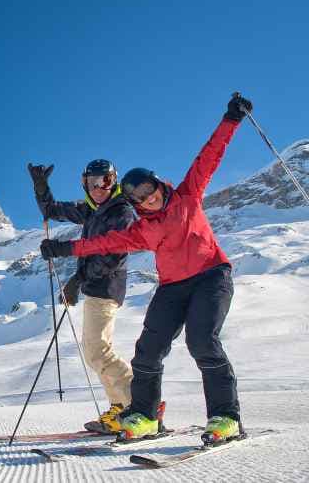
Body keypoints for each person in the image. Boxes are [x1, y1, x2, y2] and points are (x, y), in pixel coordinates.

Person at [39, 94, 253, 444]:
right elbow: (103, 243)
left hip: (211, 276)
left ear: (157, 183)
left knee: (202, 341)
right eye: (138, 197)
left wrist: (231, 120)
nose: (147, 198)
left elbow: (210, 155)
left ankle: (225, 418)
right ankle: (144, 415)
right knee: (148, 350)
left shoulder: (188, 194)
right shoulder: (143, 228)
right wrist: (65, 249)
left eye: (149, 190)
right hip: (172, 286)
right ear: (134, 202)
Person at [28, 159, 135, 434]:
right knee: (96, 351)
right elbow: (52, 211)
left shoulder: (120, 212)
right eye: (92, 183)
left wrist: (78, 280)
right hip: (95, 287)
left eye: (105, 182)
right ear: (84, 184)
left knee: (98, 350)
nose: (98, 188)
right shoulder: (92, 210)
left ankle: (139, 406)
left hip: (107, 286)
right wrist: (41, 188)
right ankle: (121, 408)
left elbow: (111, 256)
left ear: (115, 181)